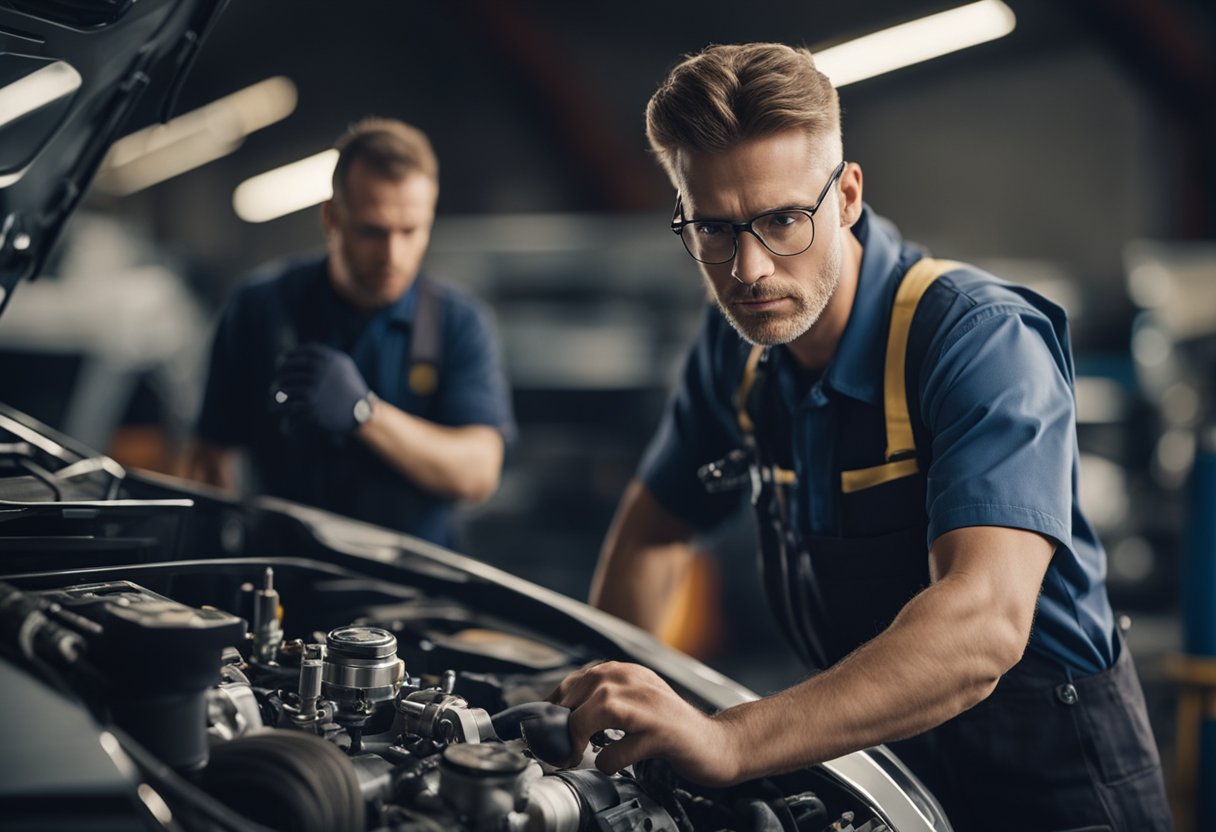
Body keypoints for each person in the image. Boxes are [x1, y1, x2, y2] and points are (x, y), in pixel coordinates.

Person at [551, 43, 1170, 830]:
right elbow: (652, 537)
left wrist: (729, 740)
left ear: (845, 196)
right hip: (887, 783)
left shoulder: (977, 342)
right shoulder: (736, 354)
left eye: (782, 220)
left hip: (1055, 795)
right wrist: (612, 722)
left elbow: (981, 624)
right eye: (713, 227)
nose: (747, 269)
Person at [187, 117, 514, 547]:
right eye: (371, 231)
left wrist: (366, 413)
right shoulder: (260, 308)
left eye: (410, 231)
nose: (392, 255)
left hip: (414, 589)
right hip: (284, 576)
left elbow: (478, 474)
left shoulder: (458, 322)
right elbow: (209, 456)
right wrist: (218, 565)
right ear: (332, 218)